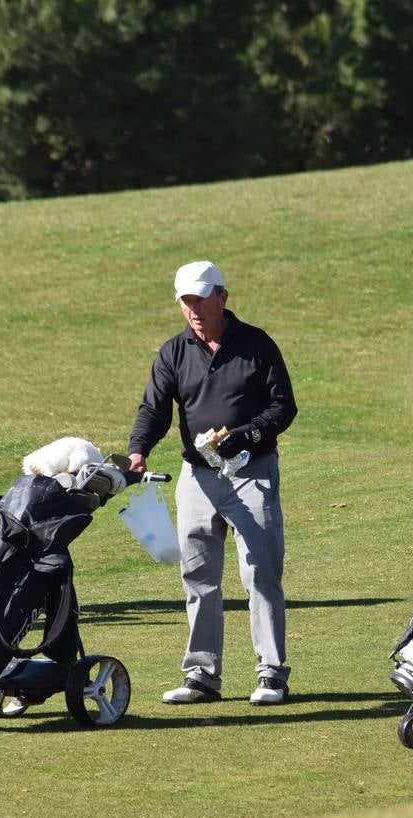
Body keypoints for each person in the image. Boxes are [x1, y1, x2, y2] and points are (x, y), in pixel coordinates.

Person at [128, 260, 297, 706]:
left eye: (202, 299)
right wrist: (138, 449)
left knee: (260, 571)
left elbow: (284, 407)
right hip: (197, 478)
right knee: (198, 575)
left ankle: (272, 674)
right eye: (187, 302)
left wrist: (246, 435)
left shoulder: (256, 345)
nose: (195, 309)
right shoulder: (174, 351)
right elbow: (155, 408)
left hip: (252, 473)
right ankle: (202, 676)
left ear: (222, 297)